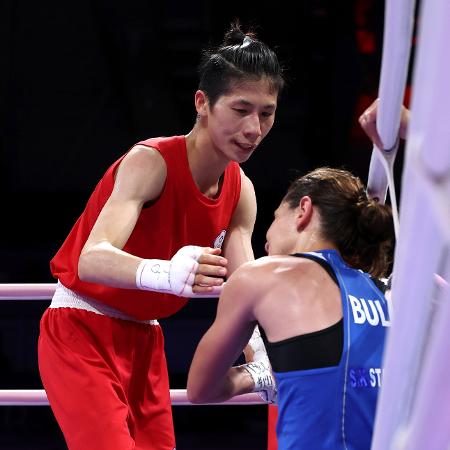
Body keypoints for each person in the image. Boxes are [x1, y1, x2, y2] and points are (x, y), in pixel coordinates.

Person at [38, 21, 285, 450]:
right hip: (81, 328)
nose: (254, 128)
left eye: (266, 113)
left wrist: (262, 354)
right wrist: (166, 273)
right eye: (241, 110)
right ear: (202, 103)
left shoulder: (241, 191)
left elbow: (245, 288)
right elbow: (91, 257)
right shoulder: (151, 162)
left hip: (147, 341)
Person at [187, 167, 394, 450]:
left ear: (303, 210)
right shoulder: (393, 292)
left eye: (274, 218)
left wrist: (259, 374)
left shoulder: (259, 276)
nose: (267, 237)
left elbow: (200, 389)